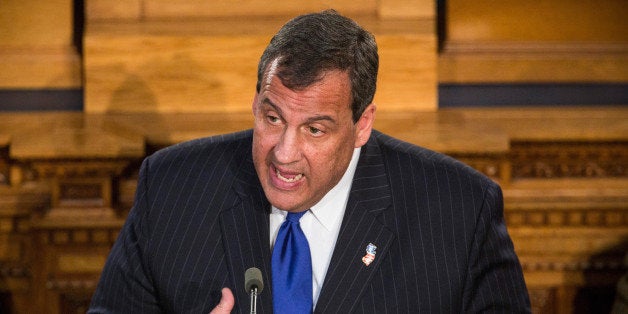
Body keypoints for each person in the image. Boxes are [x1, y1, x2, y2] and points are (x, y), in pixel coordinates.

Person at [88, 10, 530, 313]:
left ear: (362, 125)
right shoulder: (173, 190)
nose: (283, 153)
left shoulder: (459, 212)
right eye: (272, 117)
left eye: (314, 129)